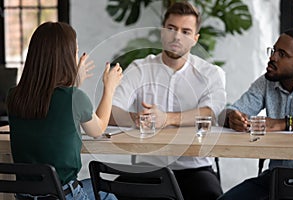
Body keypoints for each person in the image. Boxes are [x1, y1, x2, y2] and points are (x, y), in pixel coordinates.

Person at [109, 2, 226, 200]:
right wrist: (137, 118)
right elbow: (111, 112)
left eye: (186, 31)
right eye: (171, 29)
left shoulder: (211, 74)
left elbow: (210, 112)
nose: (177, 36)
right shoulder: (140, 68)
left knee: (211, 194)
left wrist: (167, 119)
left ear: (195, 39)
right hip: (148, 168)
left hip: (195, 169)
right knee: (110, 192)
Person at [7, 22, 122, 200]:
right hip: (63, 195)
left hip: (25, 195)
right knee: (107, 194)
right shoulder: (74, 98)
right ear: (67, 58)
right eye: (75, 52)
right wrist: (109, 88)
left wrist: (73, 85)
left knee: (96, 187)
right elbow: (97, 129)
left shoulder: (14, 96)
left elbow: (48, 108)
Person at [218, 29, 293, 200]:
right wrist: (233, 118)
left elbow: (280, 124)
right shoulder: (266, 82)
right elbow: (232, 111)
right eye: (273, 50)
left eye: (282, 54)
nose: (272, 57)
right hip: (275, 178)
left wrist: (283, 123)